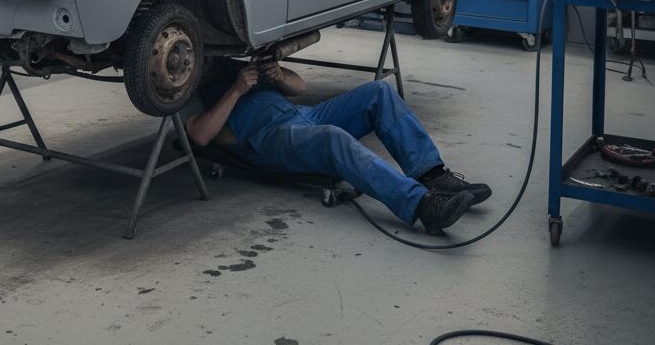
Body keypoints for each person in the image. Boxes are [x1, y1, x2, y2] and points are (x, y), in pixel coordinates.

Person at [182, 59, 491, 234]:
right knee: (332, 139)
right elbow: (200, 135)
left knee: (378, 92)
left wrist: (278, 75)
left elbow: (300, 87)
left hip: (303, 114)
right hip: (268, 138)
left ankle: (433, 175)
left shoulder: (233, 60)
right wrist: (235, 90)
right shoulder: (187, 85)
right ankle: (422, 205)